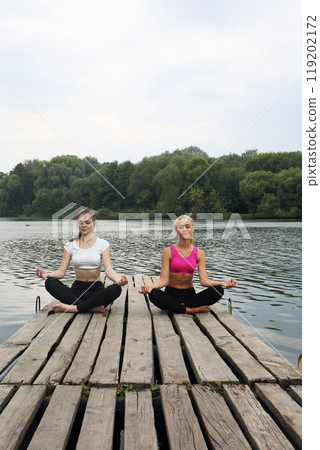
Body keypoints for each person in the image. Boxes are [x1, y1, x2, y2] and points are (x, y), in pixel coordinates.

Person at [139, 215, 237, 314]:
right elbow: (163, 280)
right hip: (171, 293)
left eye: (187, 226)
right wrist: (151, 287)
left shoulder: (199, 253)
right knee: (153, 294)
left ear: (192, 229)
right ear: (176, 230)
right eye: (180, 227)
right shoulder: (167, 251)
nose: (184, 230)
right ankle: (190, 310)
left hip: (189, 295)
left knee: (218, 291)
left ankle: (175, 307)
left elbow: (204, 281)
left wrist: (222, 283)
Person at [36, 208, 128, 313]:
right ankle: (90, 308)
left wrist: (119, 280)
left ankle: (75, 308)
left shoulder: (103, 244)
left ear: (94, 224)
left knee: (116, 289)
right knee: (50, 282)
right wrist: (48, 274)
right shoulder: (70, 245)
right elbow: (61, 272)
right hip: (76, 292)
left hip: (96, 291)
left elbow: (109, 271)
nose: (84, 225)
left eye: (87, 222)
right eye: (81, 223)